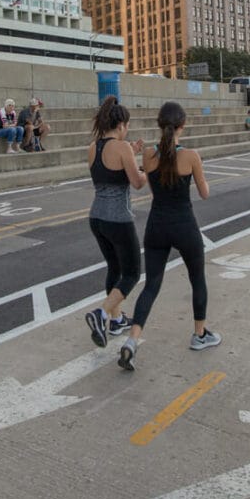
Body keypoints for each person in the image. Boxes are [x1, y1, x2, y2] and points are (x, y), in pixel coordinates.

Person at [118, 101, 216, 371]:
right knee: (197, 279)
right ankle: (199, 334)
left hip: (156, 226)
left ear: (160, 125)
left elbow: (149, 184)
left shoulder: (148, 154)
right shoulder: (192, 156)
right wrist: (202, 174)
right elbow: (205, 193)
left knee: (151, 285)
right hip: (185, 225)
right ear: (182, 126)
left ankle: (132, 341)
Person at [83, 96, 147, 347]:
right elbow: (138, 182)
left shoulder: (93, 146)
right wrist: (150, 169)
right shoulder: (122, 148)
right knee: (131, 273)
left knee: (114, 268)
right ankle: (100, 313)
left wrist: (131, 152)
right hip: (118, 218)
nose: (127, 130)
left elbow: (111, 169)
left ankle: (116, 318)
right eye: (127, 126)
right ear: (121, 125)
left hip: (96, 217)